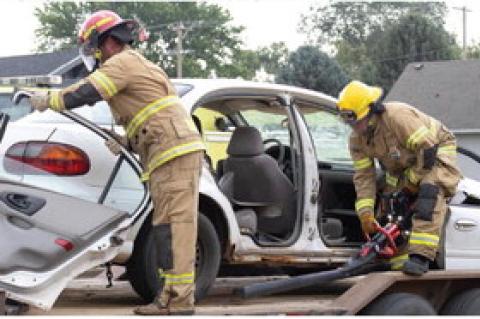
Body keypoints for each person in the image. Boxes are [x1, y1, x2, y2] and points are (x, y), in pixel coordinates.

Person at [28, 10, 204, 315]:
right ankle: (171, 298)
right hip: (167, 152)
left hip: (174, 154)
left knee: (175, 228)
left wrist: (50, 99)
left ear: (106, 41)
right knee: (166, 228)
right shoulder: (135, 65)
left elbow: (88, 91)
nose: (92, 55)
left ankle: (178, 301)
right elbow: (152, 114)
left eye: (92, 46)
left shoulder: (122, 62)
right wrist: (129, 141)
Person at [337, 80, 461, 275]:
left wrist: (411, 186)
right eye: (349, 122)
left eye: (356, 121)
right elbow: (364, 177)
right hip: (403, 166)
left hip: (436, 152)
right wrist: (366, 213)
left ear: (371, 110)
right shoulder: (356, 140)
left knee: (429, 192)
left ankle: (421, 256)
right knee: (390, 206)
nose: (354, 127)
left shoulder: (397, 116)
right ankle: (398, 266)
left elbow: (428, 150)